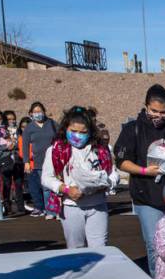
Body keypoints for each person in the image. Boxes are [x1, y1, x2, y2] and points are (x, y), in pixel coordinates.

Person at [114, 84, 165, 275]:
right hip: (147, 197)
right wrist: (144, 171)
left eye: (163, 113)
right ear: (146, 106)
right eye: (154, 111)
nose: (158, 116)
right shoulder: (133, 129)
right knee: (155, 245)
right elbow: (122, 161)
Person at [41, 106, 118, 248]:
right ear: (65, 129)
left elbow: (112, 173)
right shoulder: (55, 150)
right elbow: (46, 178)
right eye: (73, 131)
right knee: (76, 248)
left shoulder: (100, 149)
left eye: (83, 132)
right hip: (72, 207)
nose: (78, 135)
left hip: (98, 206)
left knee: (100, 247)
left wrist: (106, 183)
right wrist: (65, 189)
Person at [23, 102, 59, 218]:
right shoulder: (29, 128)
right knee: (46, 187)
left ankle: (59, 211)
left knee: (57, 186)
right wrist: (26, 162)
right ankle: (50, 211)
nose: (38, 114)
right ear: (31, 114)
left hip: (54, 160)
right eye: (35, 112)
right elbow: (25, 146)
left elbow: (61, 137)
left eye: (40, 111)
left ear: (44, 112)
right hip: (39, 163)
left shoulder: (52, 124)